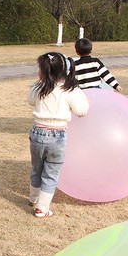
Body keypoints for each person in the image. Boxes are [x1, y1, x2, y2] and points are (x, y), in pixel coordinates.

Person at [27, 52, 89, 218]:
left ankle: (33, 197)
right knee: (51, 173)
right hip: (57, 136)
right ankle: (42, 208)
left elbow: (30, 100)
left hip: (37, 134)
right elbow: (81, 111)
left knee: (36, 168)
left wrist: (38, 83)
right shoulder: (69, 90)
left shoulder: (39, 87)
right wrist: (84, 98)